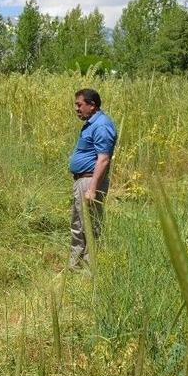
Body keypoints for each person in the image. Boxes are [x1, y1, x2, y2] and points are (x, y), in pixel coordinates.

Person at [68, 88, 117, 269]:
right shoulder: (92, 123)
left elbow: (103, 159)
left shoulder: (102, 125)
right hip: (83, 180)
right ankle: (76, 263)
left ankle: (89, 266)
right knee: (79, 222)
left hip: (90, 181)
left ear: (92, 105)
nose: (76, 108)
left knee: (89, 225)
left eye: (79, 104)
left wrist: (92, 188)